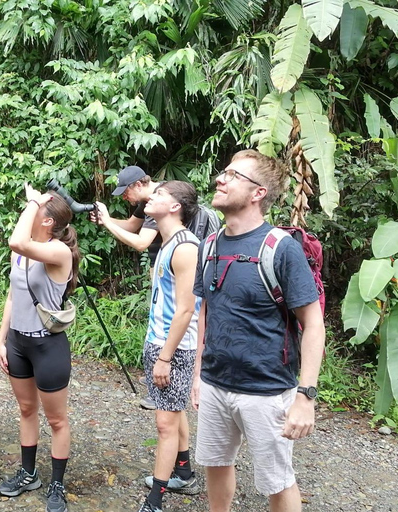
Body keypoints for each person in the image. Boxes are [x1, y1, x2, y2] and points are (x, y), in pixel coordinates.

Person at [191, 150, 325, 512]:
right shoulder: (210, 245)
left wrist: (305, 396)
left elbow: (313, 324)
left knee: (277, 481)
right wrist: (199, 375)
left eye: (233, 176)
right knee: (215, 465)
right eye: (224, 172)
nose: (221, 179)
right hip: (217, 383)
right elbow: (206, 310)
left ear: (258, 193)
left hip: (267, 391)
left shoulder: (280, 249)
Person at [0, 183, 81, 512]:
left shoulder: (59, 252)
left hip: (48, 348)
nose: (27, 210)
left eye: (35, 209)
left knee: (57, 420)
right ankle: (28, 472)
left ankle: (57, 482)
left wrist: (35, 200)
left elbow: (16, 239)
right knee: (26, 410)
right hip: (19, 342)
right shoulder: (24, 251)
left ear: (47, 221)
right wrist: (2, 339)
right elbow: (13, 294)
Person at [135, 181, 202, 512]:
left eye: (159, 193)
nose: (152, 196)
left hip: (174, 349)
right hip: (160, 342)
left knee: (164, 425)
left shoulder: (186, 247)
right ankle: (184, 472)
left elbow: (187, 309)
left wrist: (165, 358)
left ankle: (155, 501)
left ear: (175, 206)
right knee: (173, 415)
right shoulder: (168, 242)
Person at [91, 165, 161, 410]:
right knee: (157, 321)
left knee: (164, 324)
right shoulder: (146, 202)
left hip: (174, 271)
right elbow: (132, 226)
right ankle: (156, 371)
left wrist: (108, 223)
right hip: (161, 268)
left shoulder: (159, 200)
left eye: (125, 191)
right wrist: (105, 220)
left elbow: (141, 242)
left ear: (139, 184)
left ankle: (161, 385)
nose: (123, 197)